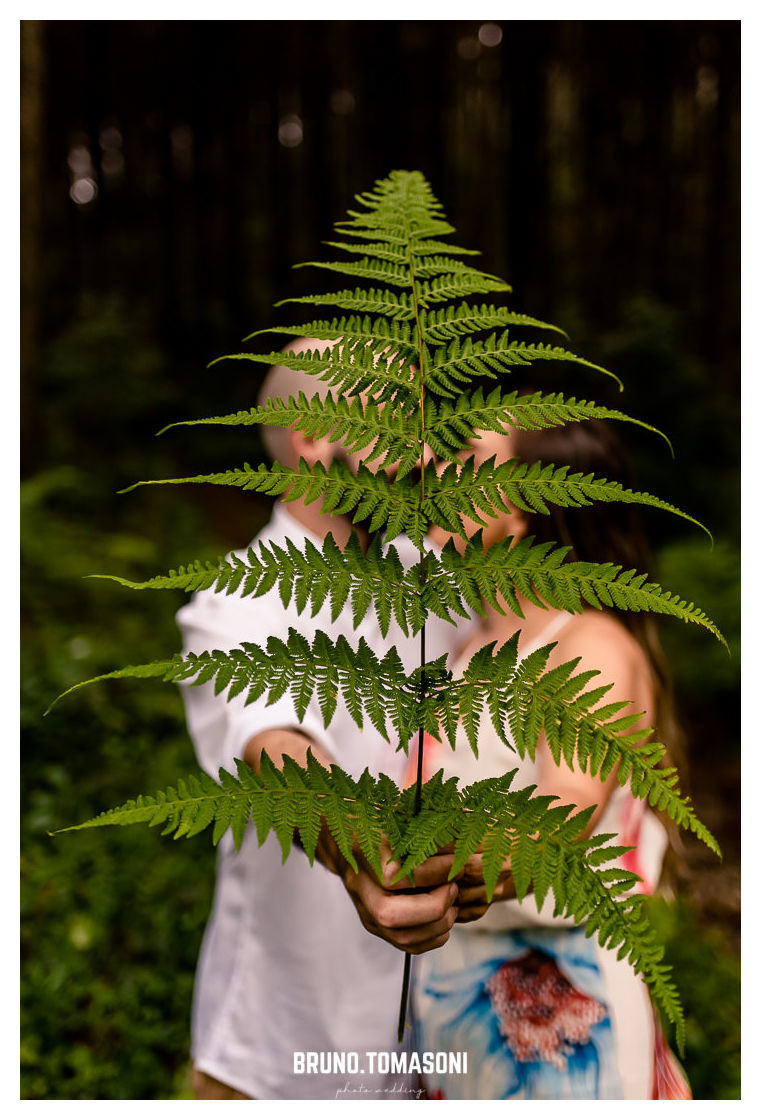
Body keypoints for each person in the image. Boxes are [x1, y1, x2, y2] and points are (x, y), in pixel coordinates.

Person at [175, 338, 505, 1100]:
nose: (418, 444)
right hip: (280, 1056)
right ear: (312, 437)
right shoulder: (233, 608)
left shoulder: (442, 587)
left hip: (444, 1051)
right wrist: (365, 854)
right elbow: (278, 750)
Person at [413, 419, 692, 1100]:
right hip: (453, 994)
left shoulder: (587, 644)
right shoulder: (464, 647)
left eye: (464, 461)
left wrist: (417, 865)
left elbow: (554, 825)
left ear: (519, 506)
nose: (433, 472)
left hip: (570, 1011)